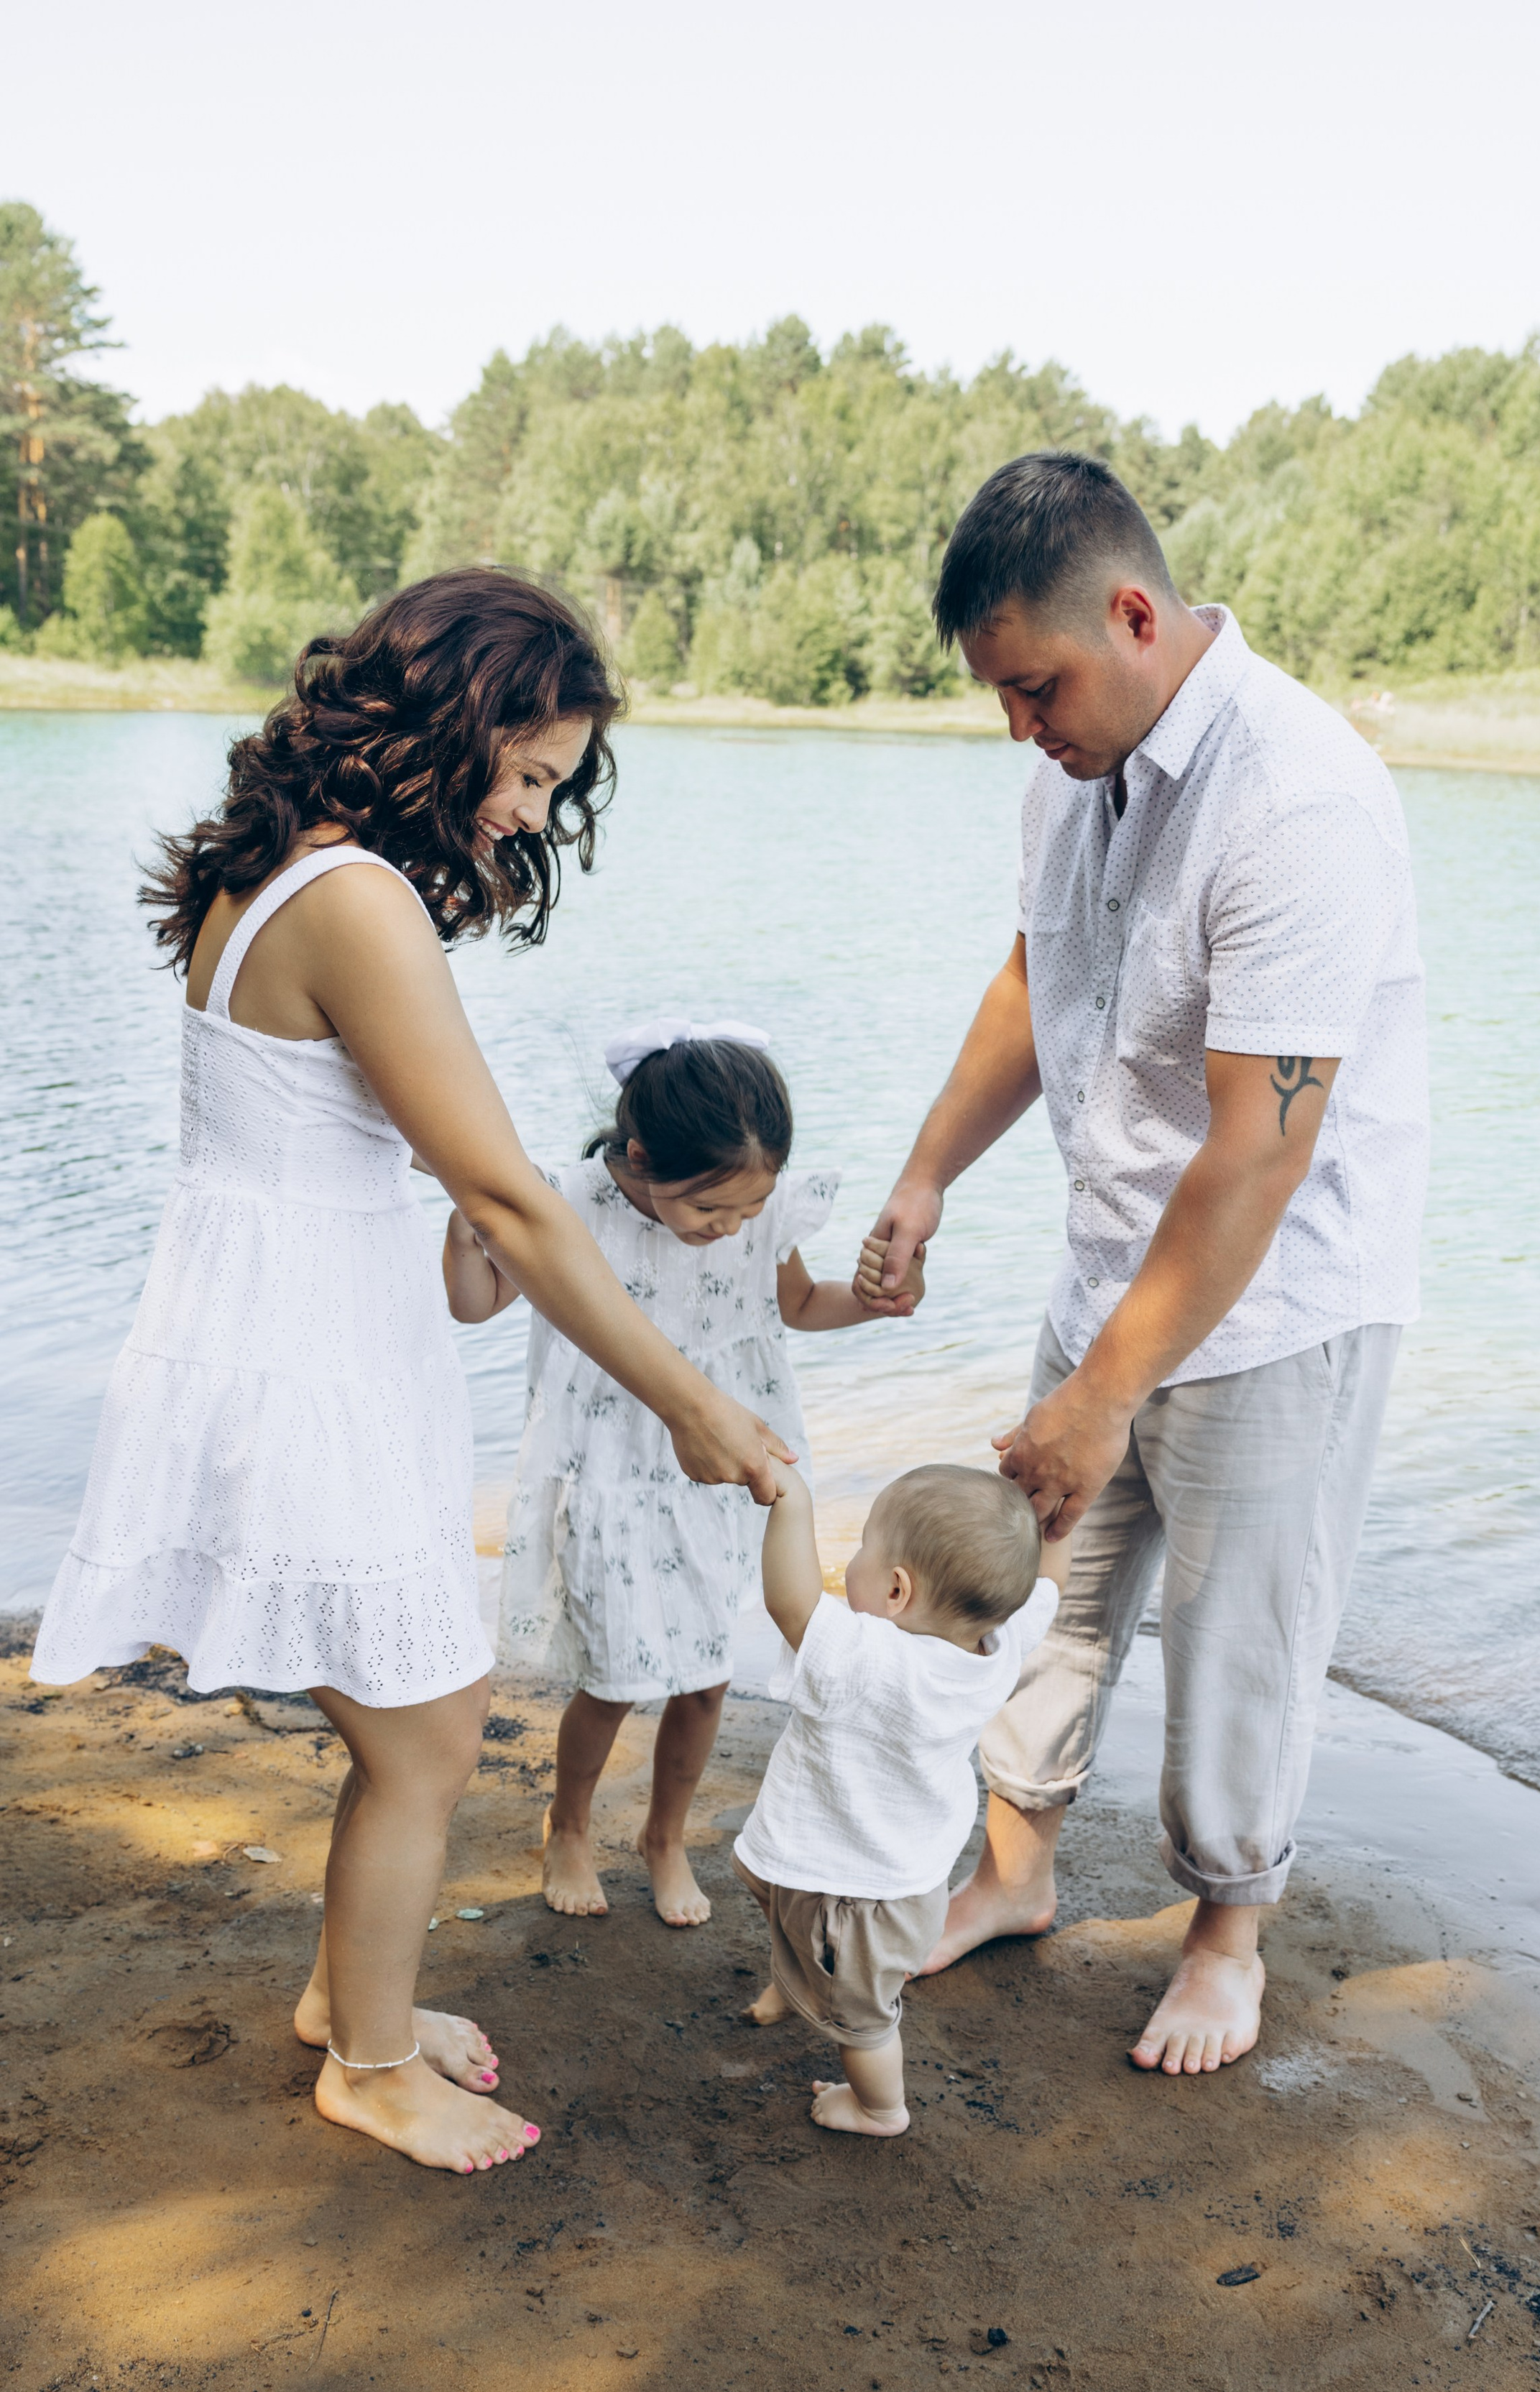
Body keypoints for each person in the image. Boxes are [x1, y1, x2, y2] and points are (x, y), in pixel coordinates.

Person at [30, 569, 792, 2176]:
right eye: (523, 776)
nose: (526, 817)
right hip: (299, 1366)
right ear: (444, 728)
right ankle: (371, 2064)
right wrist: (693, 1402)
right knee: (431, 1735)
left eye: (549, 790)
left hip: (301, 1341)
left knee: (412, 1723)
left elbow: (446, 1205)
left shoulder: (298, 877)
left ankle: (343, 1995)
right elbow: (514, 1197)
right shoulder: (356, 900)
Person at [855, 451, 1428, 2079]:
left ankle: (1225, 1931)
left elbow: (1256, 1149)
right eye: (997, 698)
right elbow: (1030, 979)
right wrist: (921, 1177)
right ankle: (1014, 1872)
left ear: (1129, 614)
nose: (1015, 727)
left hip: (1280, 1300)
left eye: (1029, 687)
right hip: (1103, 1260)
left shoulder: (1296, 796)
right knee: (1041, 1593)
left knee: (1239, 1631)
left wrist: (1108, 1391)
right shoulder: (1062, 767)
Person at [446, 1020, 924, 1927]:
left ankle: (664, 1837)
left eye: (749, 1210)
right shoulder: (568, 1204)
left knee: (706, 1675)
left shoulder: (754, 1214)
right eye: (711, 1210)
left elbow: (797, 1305)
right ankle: (571, 1825)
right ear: (639, 1157)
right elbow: (473, 1307)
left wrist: (873, 1304)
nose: (731, 1228)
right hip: (607, 1472)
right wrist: (467, 1235)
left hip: (728, 1468)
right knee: (617, 1676)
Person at [734, 1460, 1066, 2135]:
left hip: (856, 1900)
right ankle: (798, 1980)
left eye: (861, 1547)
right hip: (897, 1880)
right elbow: (1049, 1586)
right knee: (761, 1878)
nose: (849, 1560)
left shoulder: (871, 1661)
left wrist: (792, 1501)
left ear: (895, 1589)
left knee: (865, 2024)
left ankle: (879, 2109)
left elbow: (791, 1603)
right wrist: (1057, 1516)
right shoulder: (997, 1647)